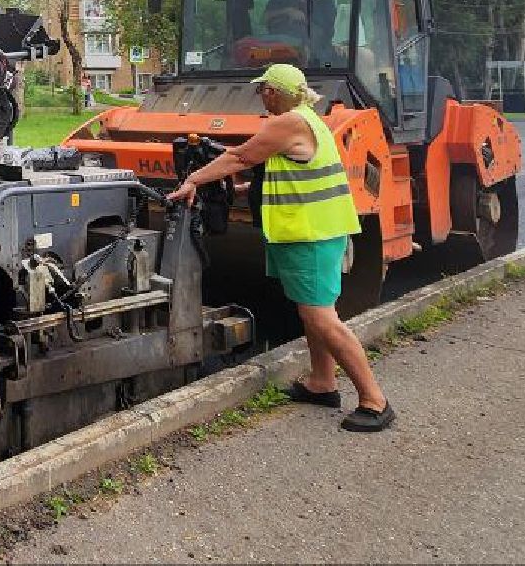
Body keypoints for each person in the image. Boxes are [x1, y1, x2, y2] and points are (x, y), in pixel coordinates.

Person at [166, 63, 395, 432]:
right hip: (313, 232)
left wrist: (194, 178)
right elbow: (286, 173)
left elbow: (240, 157)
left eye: (263, 91)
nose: (261, 96)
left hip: (311, 236)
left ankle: (374, 399)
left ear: (273, 92)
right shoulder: (309, 118)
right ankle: (323, 383)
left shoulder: (284, 124)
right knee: (312, 313)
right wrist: (241, 191)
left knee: (323, 318)